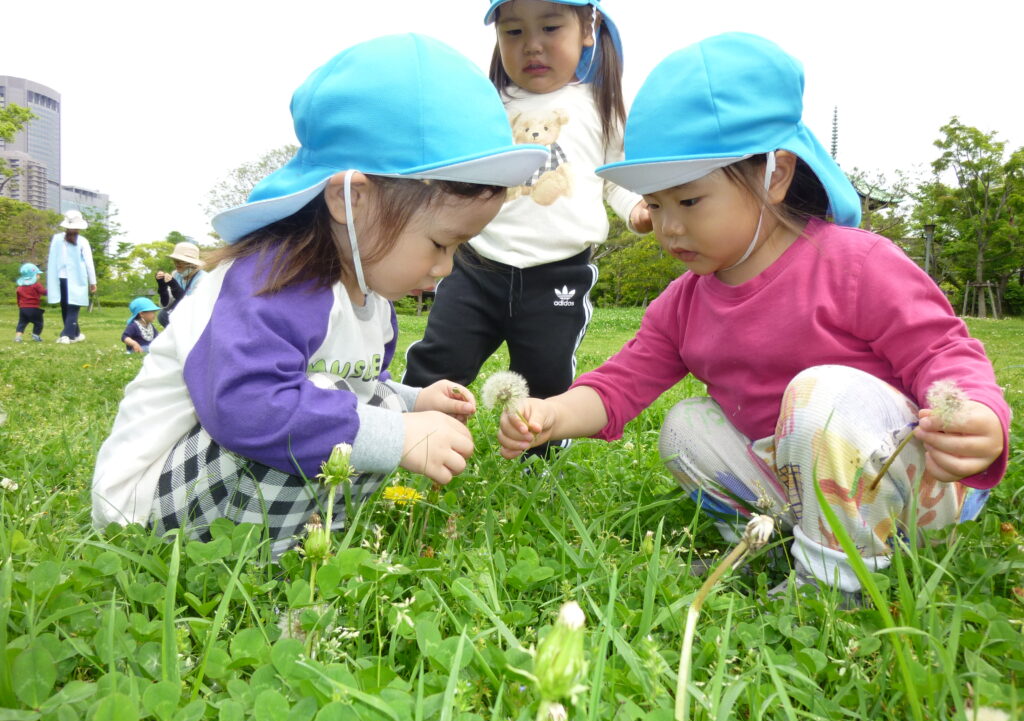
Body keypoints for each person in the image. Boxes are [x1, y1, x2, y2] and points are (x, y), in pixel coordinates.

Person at [496, 33, 1010, 603]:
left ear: (776, 174)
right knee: (685, 428)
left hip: (909, 487)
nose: (667, 227)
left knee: (822, 392)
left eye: (688, 201)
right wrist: (550, 414)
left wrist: (979, 414)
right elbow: (621, 384)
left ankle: (839, 584)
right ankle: (772, 541)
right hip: (796, 483)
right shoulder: (685, 303)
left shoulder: (855, 264)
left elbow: (944, 350)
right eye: (657, 205)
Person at [91, 34, 547, 557]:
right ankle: (267, 562)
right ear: (351, 199)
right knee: (359, 417)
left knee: (366, 405)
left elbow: (358, 385)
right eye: (441, 244)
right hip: (148, 506)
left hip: (219, 494)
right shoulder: (272, 278)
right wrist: (398, 434)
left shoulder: (370, 299)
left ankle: (302, 550)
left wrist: (413, 401)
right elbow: (249, 406)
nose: (444, 269)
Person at [403, 0, 650, 457]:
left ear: (587, 31)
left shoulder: (601, 105)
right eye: (513, 32)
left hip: (559, 273)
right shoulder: (488, 103)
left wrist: (637, 209)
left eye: (551, 27)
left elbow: (618, 176)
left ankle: (538, 467)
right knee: (441, 357)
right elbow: (458, 173)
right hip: (477, 264)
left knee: (546, 374)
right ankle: (404, 438)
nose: (532, 45)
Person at [46, 210, 96, 344]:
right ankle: (66, 335)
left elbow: (52, 259)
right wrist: (93, 282)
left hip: (60, 277)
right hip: (77, 278)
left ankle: (76, 334)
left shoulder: (56, 239)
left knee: (66, 307)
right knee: (74, 307)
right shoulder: (82, 241)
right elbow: (89, 263)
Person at [155, 241, 205, 327]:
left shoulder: (202, 279)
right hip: (180, 317)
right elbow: (166, 304)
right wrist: (162, 286)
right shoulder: (176, 274)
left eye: (181, 261)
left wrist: (174, 285)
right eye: (175, 260)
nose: (176, 263)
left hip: (196, 319)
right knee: (163, 315)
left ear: (192, 263)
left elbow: (192, 306)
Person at [14, 263, 47, 342]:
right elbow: (44, 292)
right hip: (33, 308)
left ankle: (18, 337)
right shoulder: (36, 285)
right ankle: (36, 335)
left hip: (23, 309)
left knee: (22, 323)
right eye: (37, 274)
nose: (39, 276)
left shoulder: (20, 287)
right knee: (38, 322)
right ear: (33, 275)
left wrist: (20, 306)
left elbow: (18, 298)